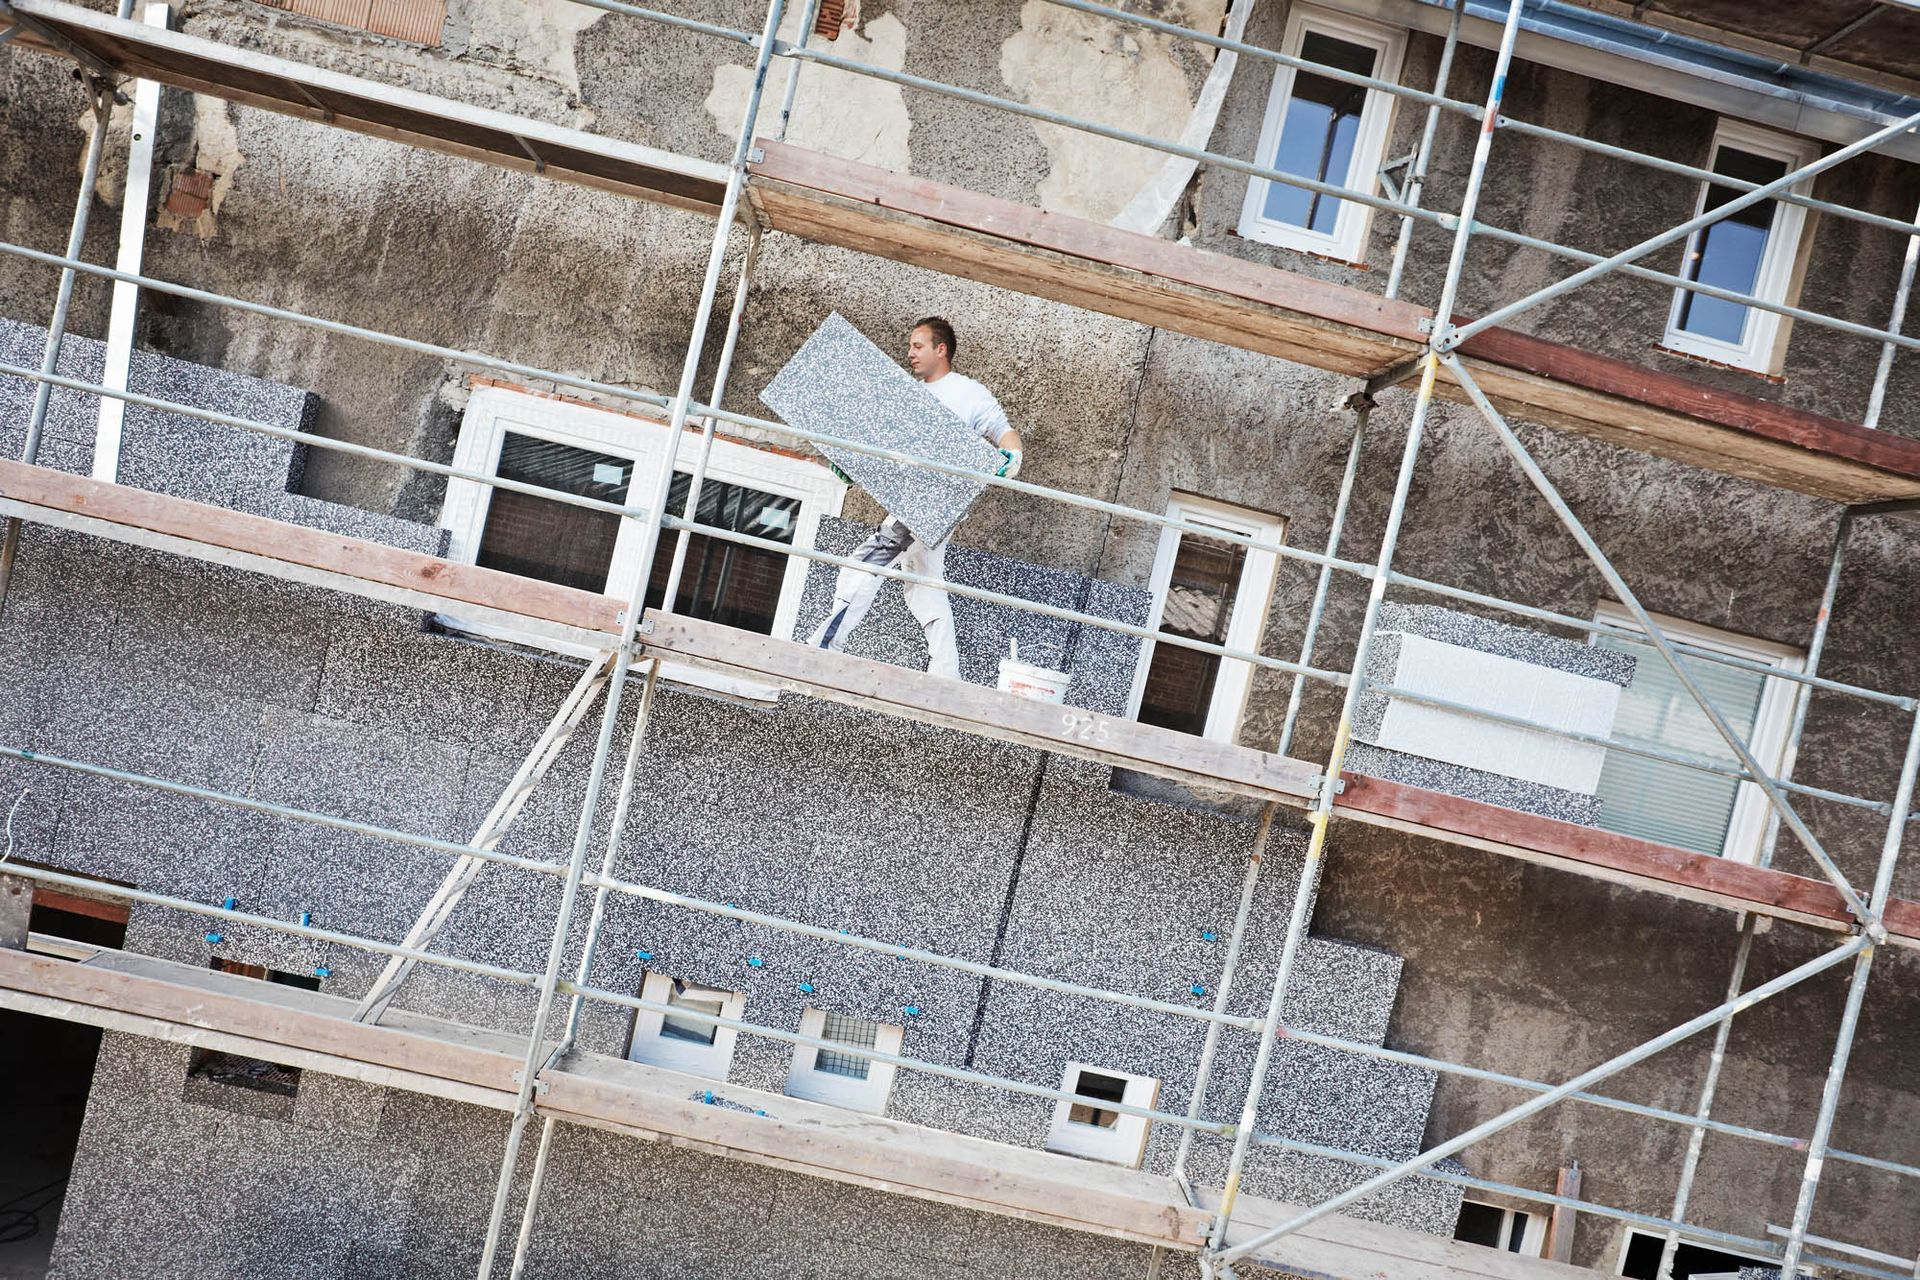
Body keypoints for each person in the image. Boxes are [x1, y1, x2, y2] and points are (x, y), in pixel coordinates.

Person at [807, 316, 1023, 680]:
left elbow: (1006, 434)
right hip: (912, 501)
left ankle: (826, 646)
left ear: (941, 349)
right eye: (910, 346)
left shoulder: (969, 394)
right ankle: (945, 672)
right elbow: (882, 449)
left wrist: (1011, 459)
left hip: (933, 502)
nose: (910, 353)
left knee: (863, 564)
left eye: (918, 346)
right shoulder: (908, 394)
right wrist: (852, 467)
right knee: (924, 583)